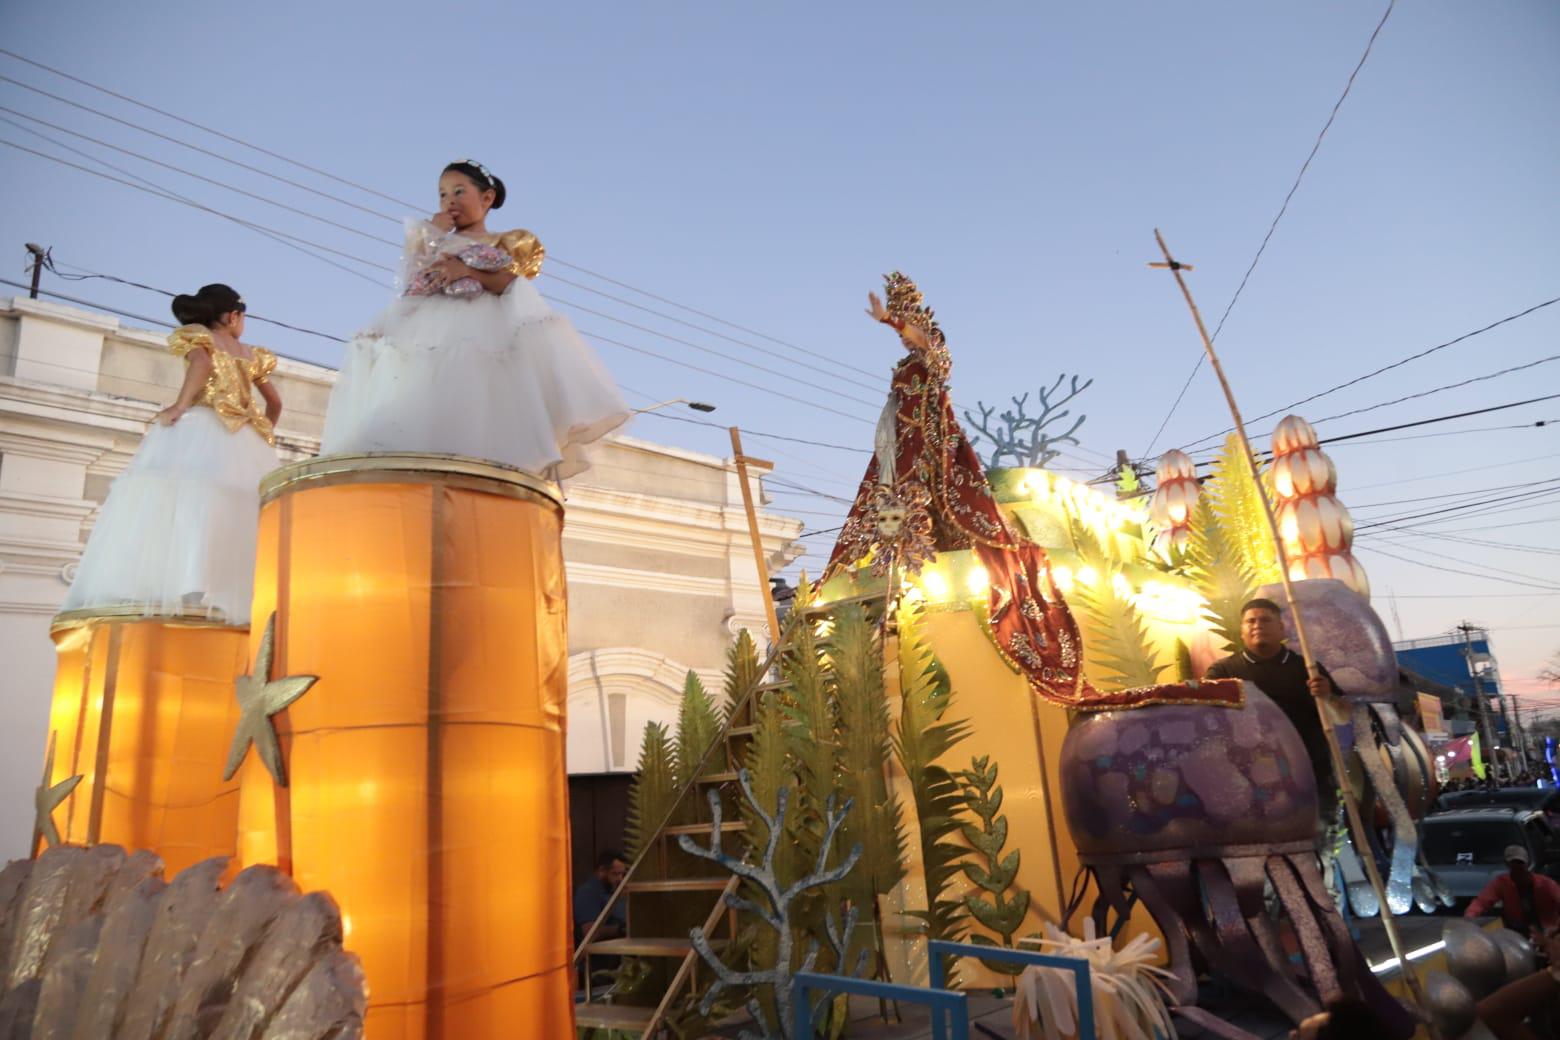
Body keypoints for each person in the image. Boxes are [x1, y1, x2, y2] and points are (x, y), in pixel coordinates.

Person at [321, 159, 628, 480]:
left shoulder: (503, 242)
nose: (449, 200)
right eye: (441, 194)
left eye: (458, 191)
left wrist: (468, 272)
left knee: (478, 397)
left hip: (483, 328)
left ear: (487, 198)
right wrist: (432, 235)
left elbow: (508, 284)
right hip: (427, 327)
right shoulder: (429, 239)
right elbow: (411, 282)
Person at [61, 284, 280, 624]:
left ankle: (188, 586)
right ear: (234, 316)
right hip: (245, 436)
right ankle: (224, 591)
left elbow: (202, 364)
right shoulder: (252, 353)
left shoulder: (198, 337)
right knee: (238, 512)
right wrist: (264, 430)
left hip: (204, 424)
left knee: (183, 502)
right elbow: (276, 403)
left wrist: (180, 406)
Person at [1204, 598, 1342, 817]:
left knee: (1320, 840)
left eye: (1266, 620)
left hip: (1310, 774)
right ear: (1242, 631)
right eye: (1251, 621)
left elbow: (1343, 715)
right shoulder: (1223, 672)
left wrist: (1327, 697)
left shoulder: (1307, 668)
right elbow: (1207, 719)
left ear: (1281, 628)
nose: (1258, 625)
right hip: (1249, 780)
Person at [1465, 845, 1560, 937]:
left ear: (1526, 864)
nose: (1517, 869)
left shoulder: (1546, 884)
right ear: (1508, 865)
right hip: (1518, 932)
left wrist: (1555, 928)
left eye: (1520, 864)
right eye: (1514, 865)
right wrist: (1469, 919)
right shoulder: (1502, 883)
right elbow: (1481, 902)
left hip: (1548, 931)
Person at [573, 849, 628, 947]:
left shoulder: (614, 891)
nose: (620, 879)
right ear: (602, 871)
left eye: (622, 874)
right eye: (615, 874)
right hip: (595, 958)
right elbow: (589, 932)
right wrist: (621, 929)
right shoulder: (588, 892)